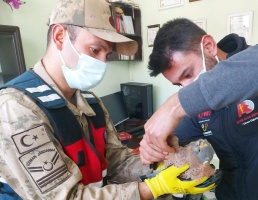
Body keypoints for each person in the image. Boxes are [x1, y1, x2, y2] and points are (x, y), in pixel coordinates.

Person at [0, 3, 215, 199]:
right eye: (95, 49)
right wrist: (154, 187)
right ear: (59, 36)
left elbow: (117, 164)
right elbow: (65, 196)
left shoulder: (91, 104)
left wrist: (159, 165)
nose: (103, 62)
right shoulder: (17, 108)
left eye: (107, 54)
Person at [140, 18, 258, 200]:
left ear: (209, 46)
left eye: (188, 74)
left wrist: (174, 105)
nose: (187, 88)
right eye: (178, 84)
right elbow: (172, 140)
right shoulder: (197, 108)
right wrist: (153, 146)